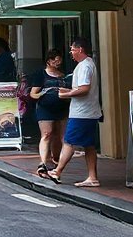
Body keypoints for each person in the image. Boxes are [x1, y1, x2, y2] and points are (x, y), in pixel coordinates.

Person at [47, 37, 101, 187]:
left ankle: (57, 171)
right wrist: (69, 90)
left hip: (82, 112)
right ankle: (92, 177)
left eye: (72, 49)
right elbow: (82, 88)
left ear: (80, 49)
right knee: (89, 146)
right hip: (90, 111)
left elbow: (84, 89)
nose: (71, 52)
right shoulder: (88, 64)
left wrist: (66, 94)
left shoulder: (84, 66)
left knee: (69, 142)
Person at [30, 48, 70, 175]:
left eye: (59, 60)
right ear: (48, 61)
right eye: (54, 60)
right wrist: (43, 94)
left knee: (59, 136)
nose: (57, 62)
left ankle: (56, 159)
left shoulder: (63, 75)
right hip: (45, 108)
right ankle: (42, 162)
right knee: (47, 134)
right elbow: (33, 94)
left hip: (62, 108)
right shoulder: (40, 74)